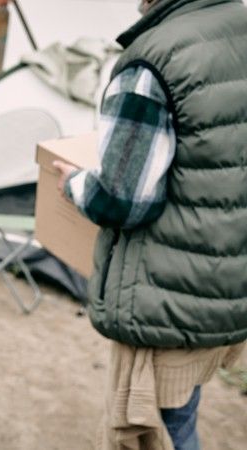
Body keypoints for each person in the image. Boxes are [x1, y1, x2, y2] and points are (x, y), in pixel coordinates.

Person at [53, 0, 247, 448]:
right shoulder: (235, 24)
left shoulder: (153, 60)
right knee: (184, 411)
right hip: (226, 282)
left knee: (161, 431)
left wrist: (75, 185)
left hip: (167, 291)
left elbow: (122, 199)